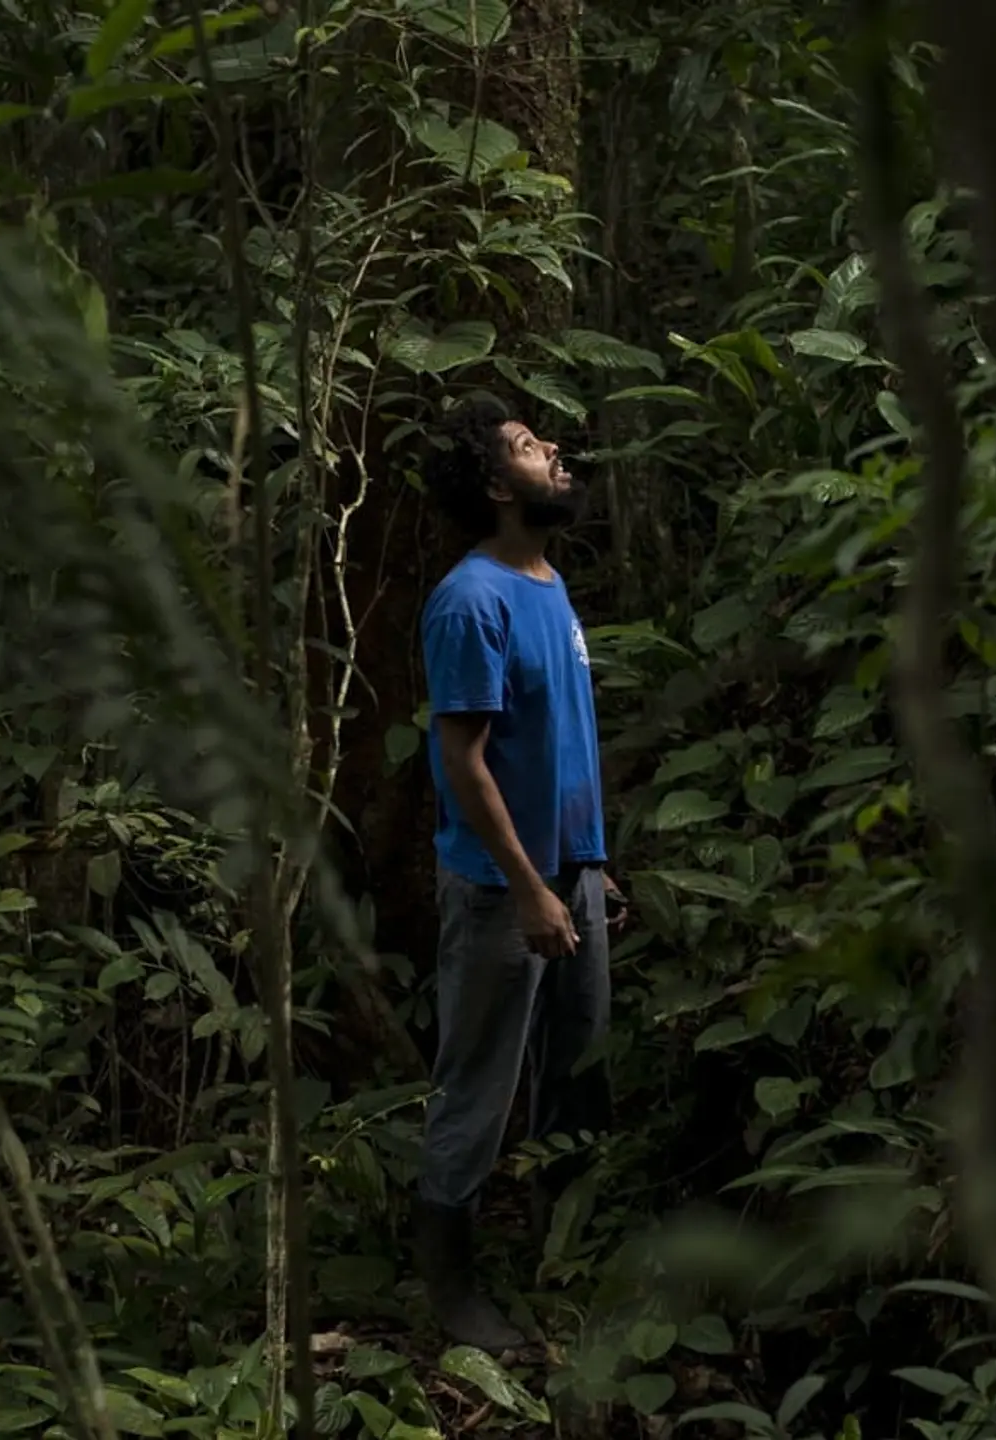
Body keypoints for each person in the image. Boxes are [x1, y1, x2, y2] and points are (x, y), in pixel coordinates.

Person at [411, 393, 626, 1352]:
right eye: (535, 449)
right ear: (500, 485)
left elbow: (560, 745)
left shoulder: (547, 581)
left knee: (578, 1077)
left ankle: (567, 1261)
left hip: (569, 876)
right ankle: (449, 1293)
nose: (557, 455)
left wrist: (588, 867)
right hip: (505, 889)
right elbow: (463, 761)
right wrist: (531, 886)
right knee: (479, 1091)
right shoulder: (472, 599)